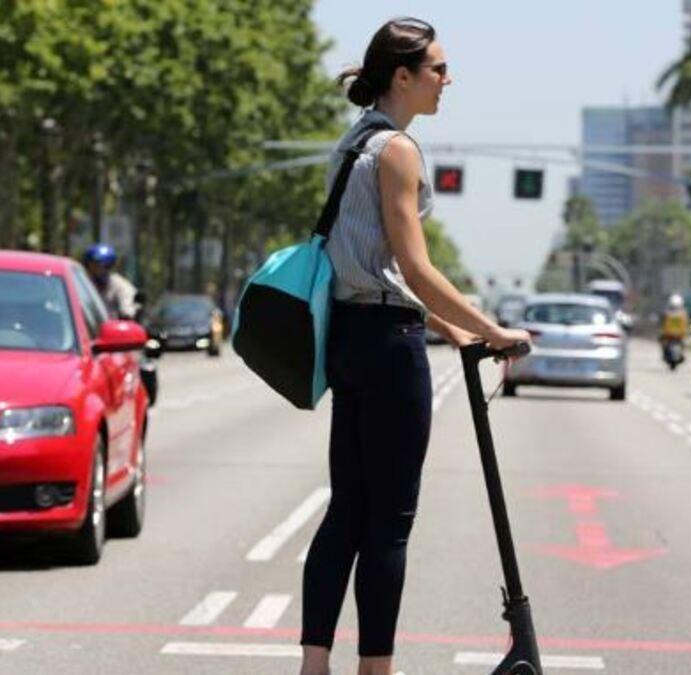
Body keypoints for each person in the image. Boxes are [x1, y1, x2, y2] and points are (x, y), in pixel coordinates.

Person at [299, 18, 531, 675]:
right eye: (437, 69)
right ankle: (377, 667)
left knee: (348, 506)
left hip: (351, 334)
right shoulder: (397, 149)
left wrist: (450, 327)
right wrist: (492, 328)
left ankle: (314, 663)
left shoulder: (352, 142)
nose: (446, 80)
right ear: (402, 76)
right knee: (390, 519)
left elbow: (371, 266)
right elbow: (414, 265)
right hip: (388, 346)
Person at [81, 243, 138, 320]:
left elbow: (128, 313)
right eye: (92, 266)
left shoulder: (121, 287)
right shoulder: (80, 285)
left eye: (103, 266)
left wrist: (126, 315)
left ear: (110, 267)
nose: (97, 271)